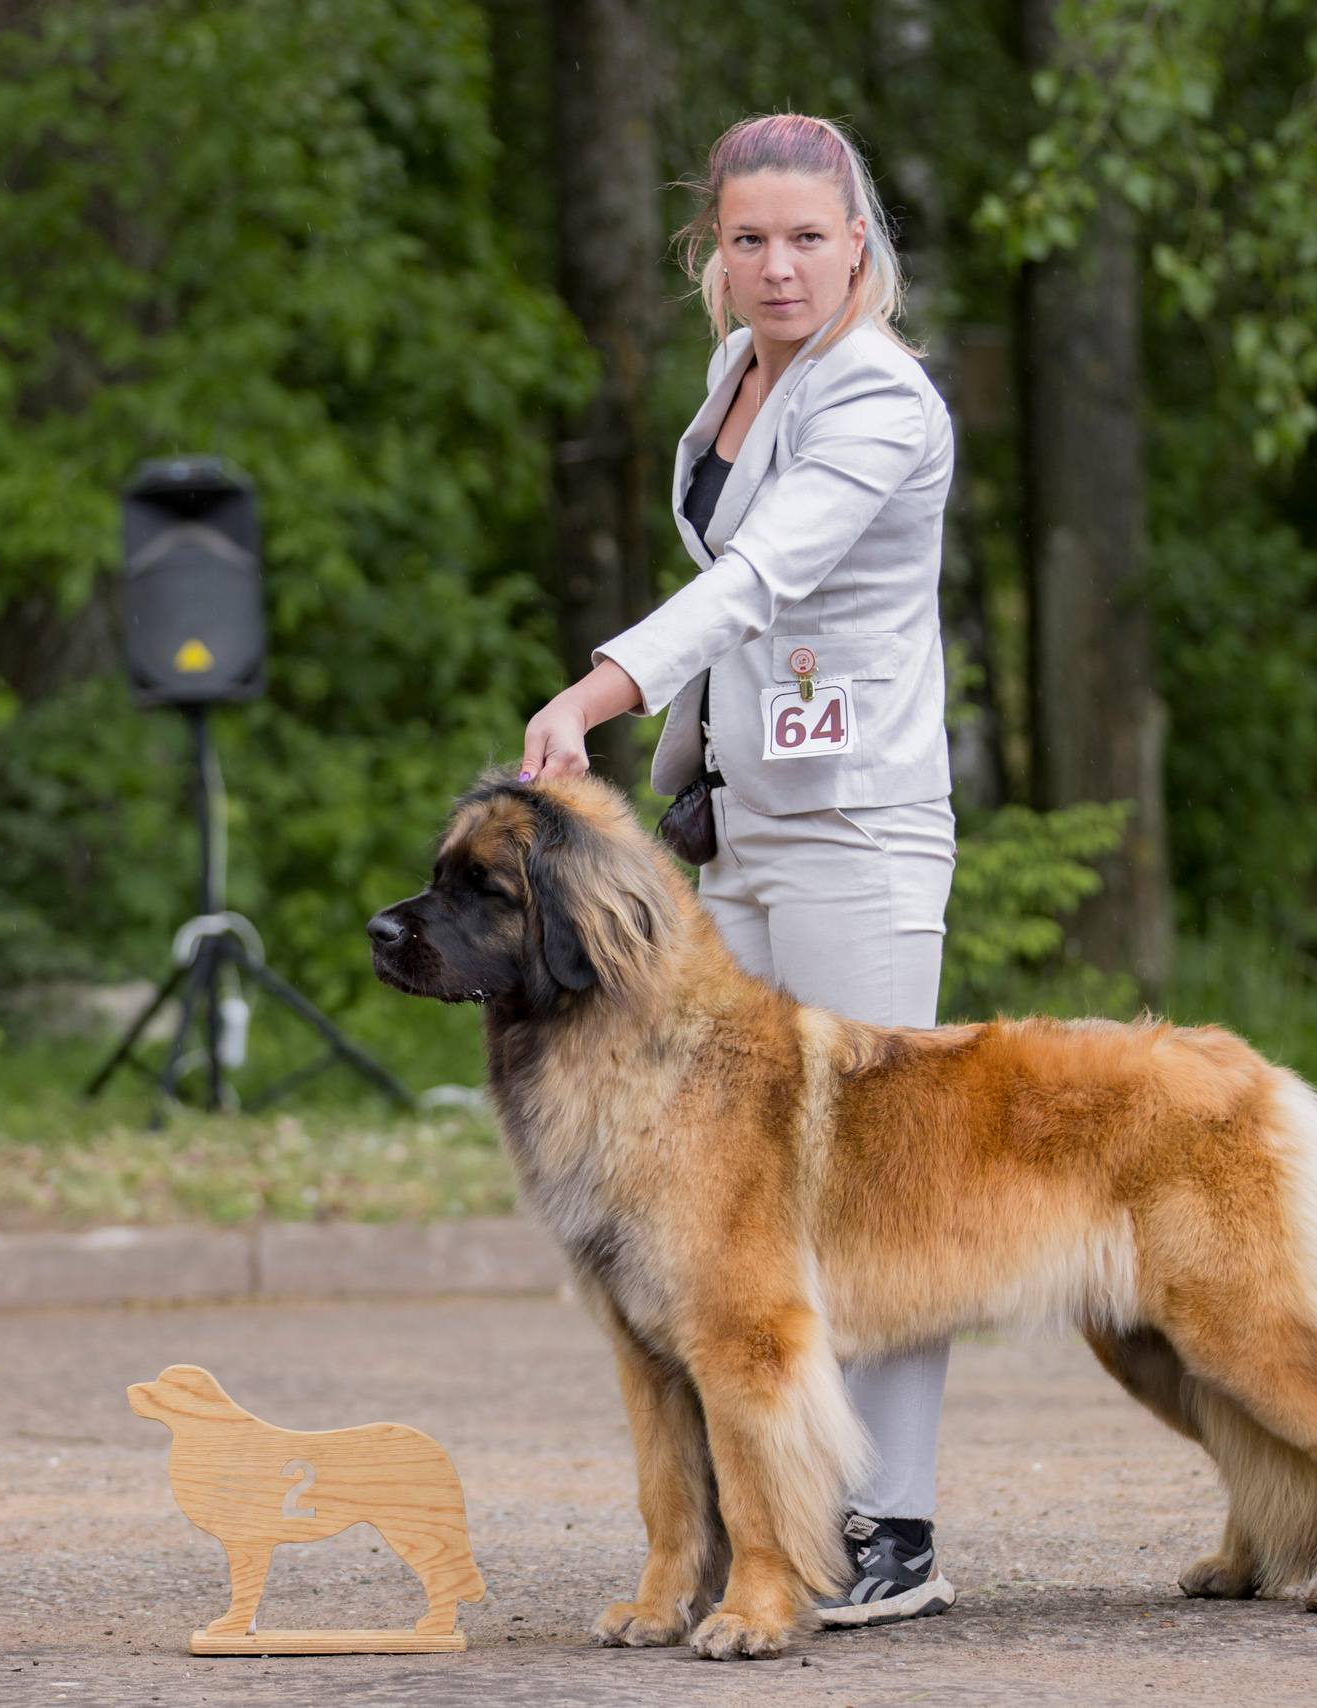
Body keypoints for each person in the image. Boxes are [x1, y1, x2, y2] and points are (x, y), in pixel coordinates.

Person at [517, 112, 960, 1628]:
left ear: (860, 247)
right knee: (733, 1200)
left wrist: (594, 694)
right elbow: (735, 596)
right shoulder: (733, 377)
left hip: (861, 833)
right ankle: (747, 1514)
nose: (779, 268)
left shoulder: (882, 400)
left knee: (875, 1186)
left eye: (808, 240)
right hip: (746, 830)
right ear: (716, 252)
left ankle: (890, 1526)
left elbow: (765, 579)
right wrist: (683, 770)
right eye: (750, 240)